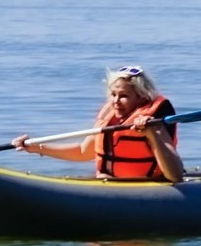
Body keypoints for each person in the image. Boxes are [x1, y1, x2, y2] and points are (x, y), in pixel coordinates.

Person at [15, 65, 185, 183]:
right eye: (113, 94)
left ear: (141, 97)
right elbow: (83, 152)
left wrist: (153, 132)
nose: (116, 101)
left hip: (145, 188)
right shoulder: (108, 115)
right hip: (106, 184)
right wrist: (36, 147)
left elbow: (175, 176)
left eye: (124, 96)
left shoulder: (153, 122)